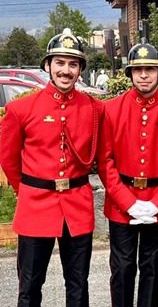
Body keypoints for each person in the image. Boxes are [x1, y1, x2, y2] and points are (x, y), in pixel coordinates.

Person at [1, 28, 103, 307]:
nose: (66, 71)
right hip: (36, 205)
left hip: (77, 205)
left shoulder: (94, 109)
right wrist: (26, 191)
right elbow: (8, 158)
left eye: (73, 64)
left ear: (80, 70)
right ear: (47, 65)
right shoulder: (21, 109)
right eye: (59, 62)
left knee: (78, 285)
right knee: (30, 286)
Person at [98, 43, 158, 307]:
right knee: (122, 268)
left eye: (150, 69)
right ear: (130, 73)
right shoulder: (111, 109)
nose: (144, 75)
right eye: (138, 70)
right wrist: (127, 202)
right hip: (121, 202)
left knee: (152, 268)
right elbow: (105, 161)